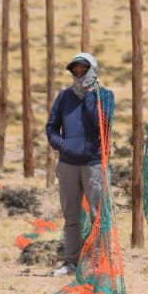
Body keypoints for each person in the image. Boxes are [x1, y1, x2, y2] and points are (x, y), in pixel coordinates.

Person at [45, 52, 115, 278]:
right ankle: (71, 262)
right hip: (68, 164)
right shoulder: (64, 97)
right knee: (71, 216)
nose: (79, 73)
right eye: (75, 70)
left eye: (83, 69)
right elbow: (51, 126)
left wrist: (90, 97)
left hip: (94, 163)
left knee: (97, 215)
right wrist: (61, 145)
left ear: (93, 70)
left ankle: (99, 263)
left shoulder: (105, 96)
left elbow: (101, 125)